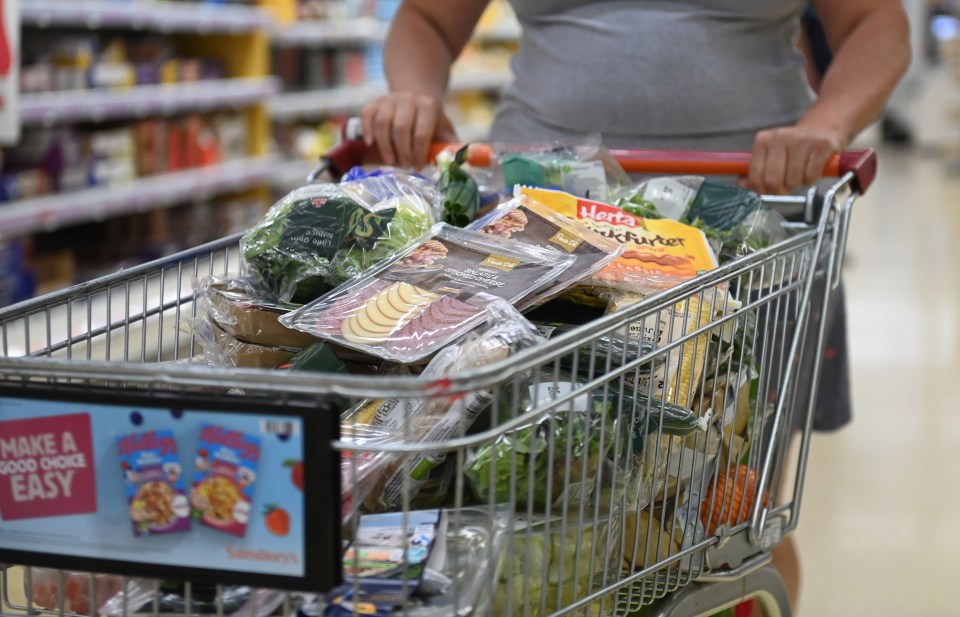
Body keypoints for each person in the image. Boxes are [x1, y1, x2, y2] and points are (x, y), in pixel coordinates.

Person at [359, 1, 910, 613]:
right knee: (522, 508)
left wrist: (827, 125)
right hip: (543, 237)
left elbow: (875, 23)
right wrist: (413, 95)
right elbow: (428, 19)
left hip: (751, 232)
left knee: (731, 520)